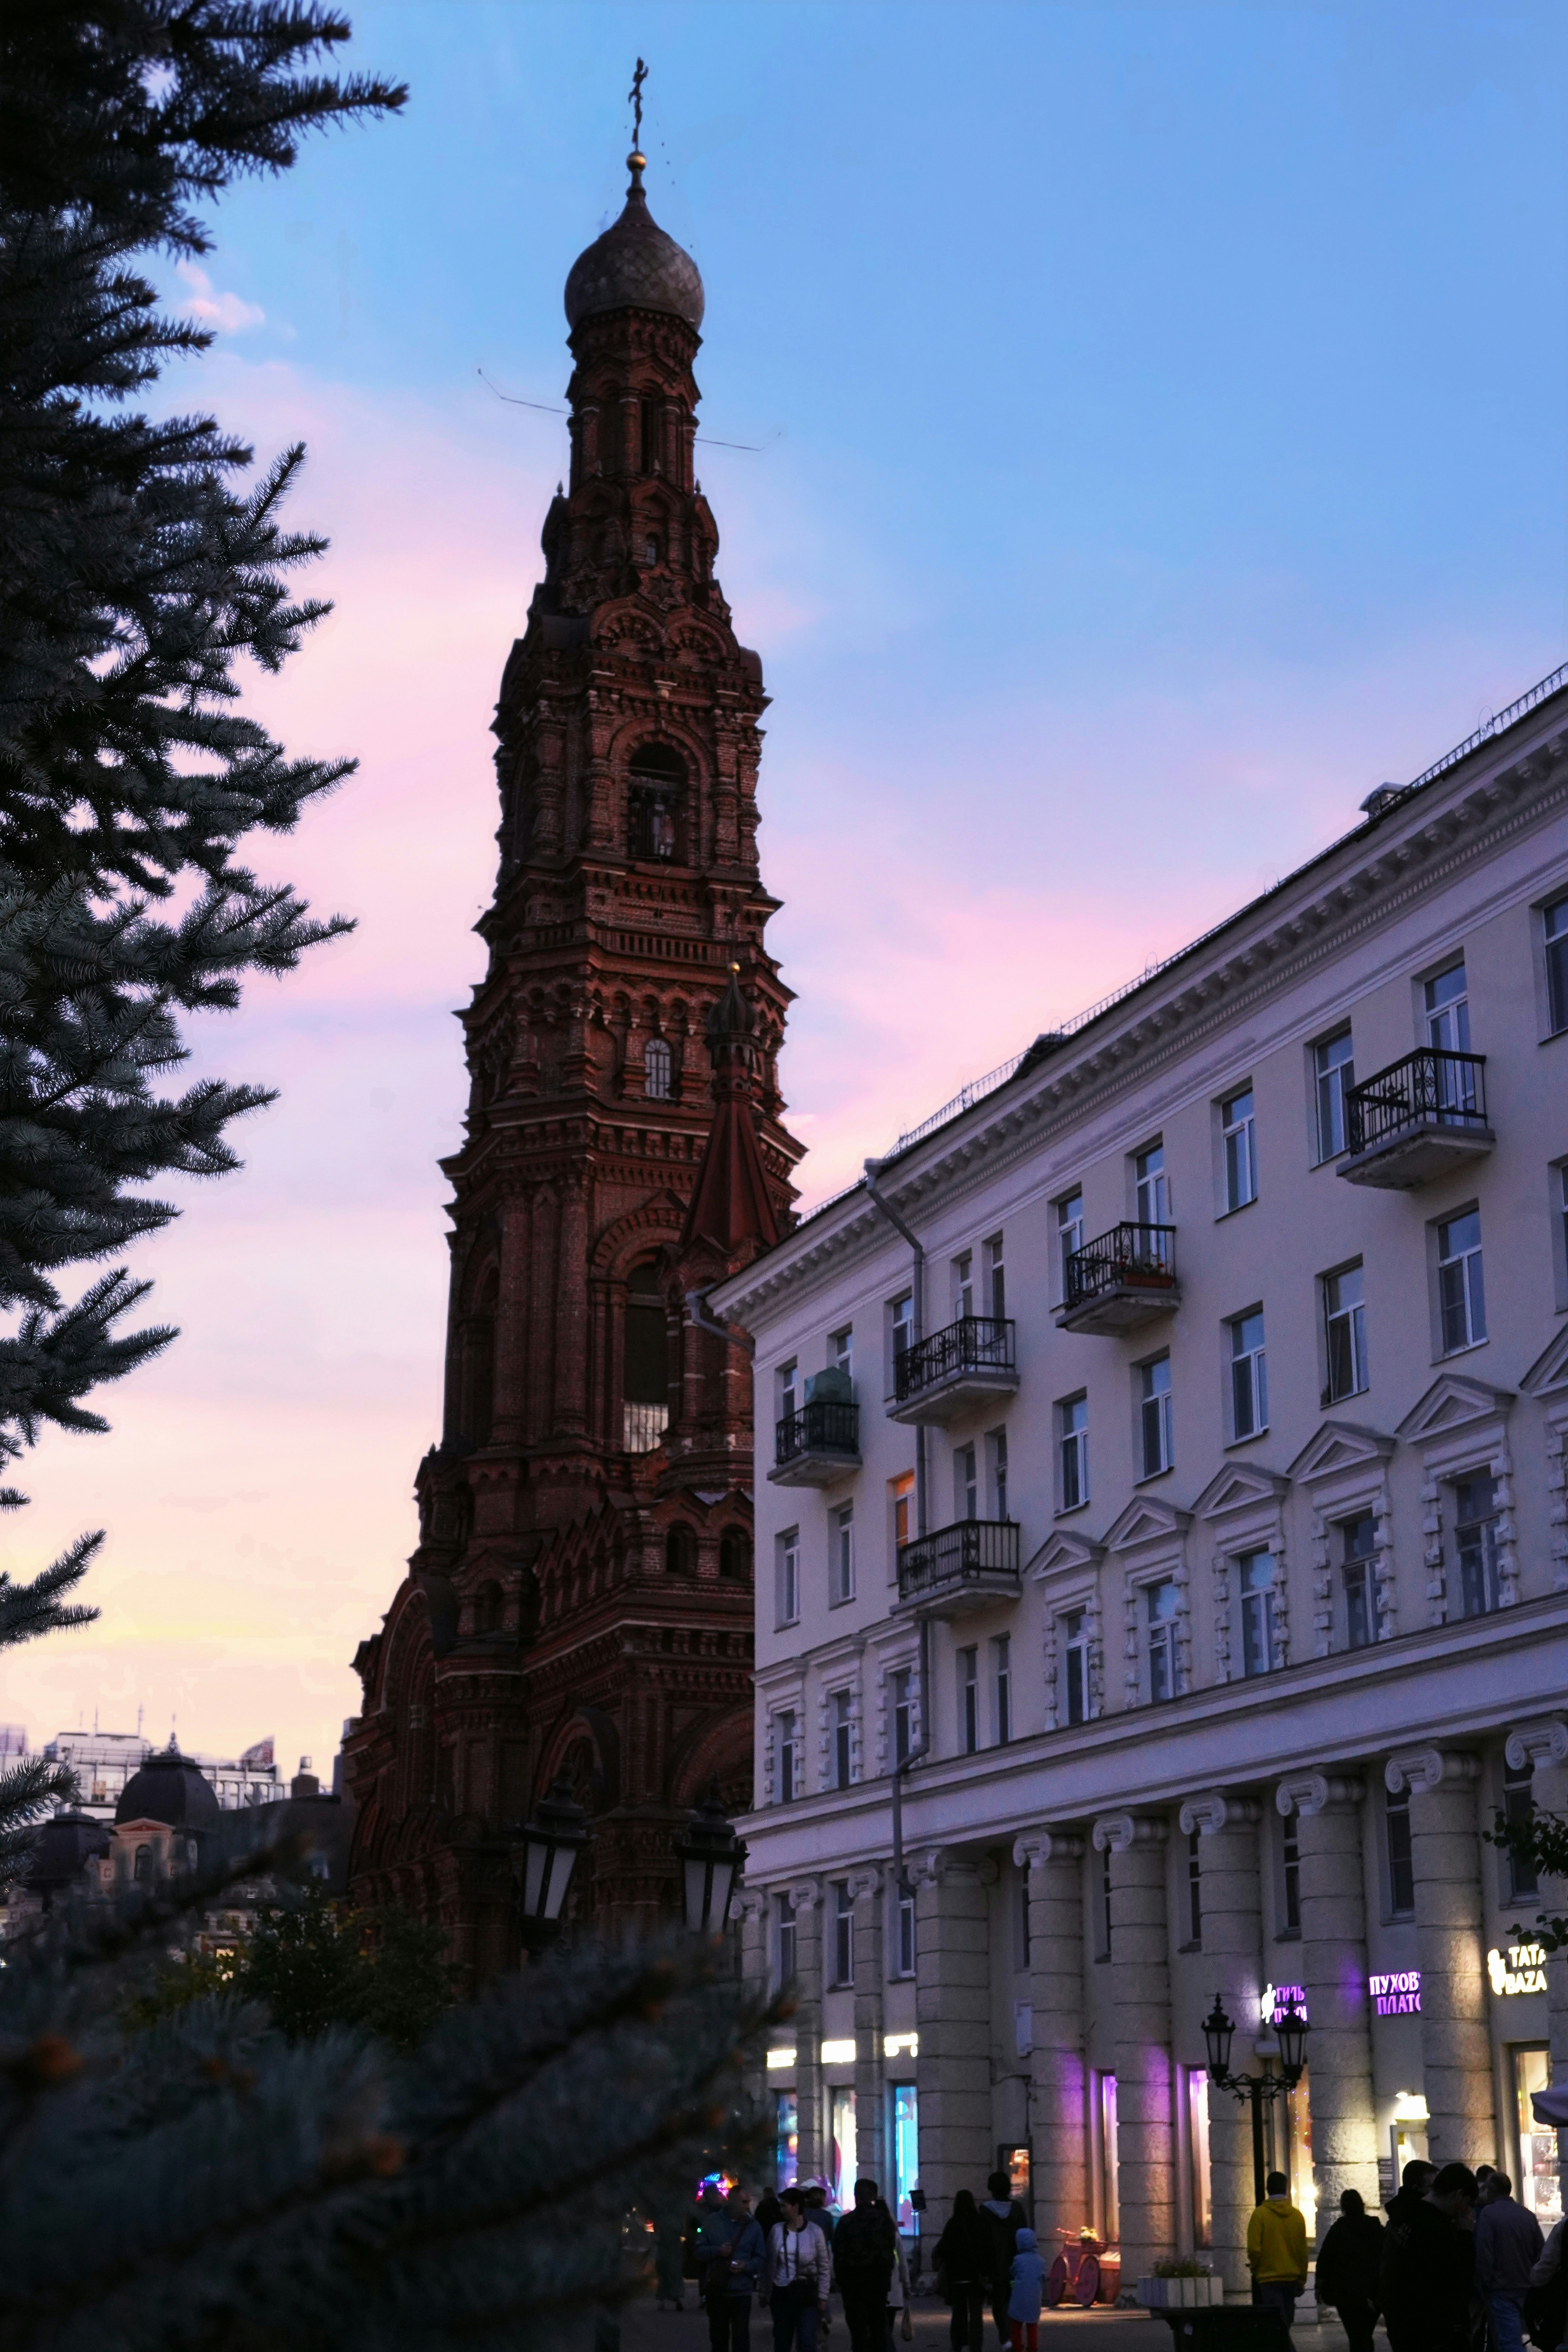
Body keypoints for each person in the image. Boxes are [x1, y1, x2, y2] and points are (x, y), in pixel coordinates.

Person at [1379, 2159, 1477, 2352]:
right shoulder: (1435, 2227)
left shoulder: (1404, 2215)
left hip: (1402, 2324)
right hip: (1431, 2331)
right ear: (1458, 2196)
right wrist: (1466, 2234)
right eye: (1467, 2204)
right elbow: (1457, 2279)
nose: (1467, 2211)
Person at [1475, 2171, 1544, 2352]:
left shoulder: (1488, 2215)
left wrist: (1484, 2283)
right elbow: (1540, 2252)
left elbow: (1485, 2253)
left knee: (1509, 2341)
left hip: (1500, 2289)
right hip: (1527, 2287)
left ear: (1490, 2191)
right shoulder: (1527, 2215)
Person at [1312, 2187, 1383, 2352]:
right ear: (1362, 2205)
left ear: (1343, 2208)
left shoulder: (1339, 2230)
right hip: (1373, 2293)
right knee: (1365, 2334)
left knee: (1357, 2336)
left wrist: (1319, 2286)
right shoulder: (1377, 2229)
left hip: (1347, 2294)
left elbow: (1325, 2260)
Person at [833, 2179, 898, 2352]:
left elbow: (838, 2253)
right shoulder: (884, 2220)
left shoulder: (846, 2222)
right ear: (874, 2196)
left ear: (856, 2196)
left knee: (858, 2332)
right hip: (877, 2284)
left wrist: (842, 2280)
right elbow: (890, 2250)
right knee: (878, 2329)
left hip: (853, 2285)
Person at [766, 2188, 832, 2352]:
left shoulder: (814, 2232)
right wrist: (764, 2290)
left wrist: (823, 2296)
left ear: (796, 2206)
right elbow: (769, 2263)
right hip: (781, 2292)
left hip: (806, 2293)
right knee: (782, 2340)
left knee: (807, 2342)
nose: (781, 2210)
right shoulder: (776, 2230)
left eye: (784, 2206)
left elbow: (824, 2266)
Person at [1246, 2170, 1308, 2343]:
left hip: (1269, 2279)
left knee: (1276, 2327)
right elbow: (1302, 2252)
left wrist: (1256, 2267)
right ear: (1287, 2189)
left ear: (1267, 2189)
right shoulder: (1297, 2216)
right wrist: (1302, 2279)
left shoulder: (1260, 2215)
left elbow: (1254, 2249)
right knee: (1285, 2324)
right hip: (1291, 2278)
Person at [706, 2187, 765, 2352]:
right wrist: (718, 2251)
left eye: (749, 2202)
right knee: (718, 2339)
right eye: (744, 2202)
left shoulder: (754, 2227)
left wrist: (746, 2266)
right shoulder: (713, 2222)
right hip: (718, 2291)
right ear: (731, 2201)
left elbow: (761, 2257)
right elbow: (699, 2250)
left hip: (741, 2292)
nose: (748, 2206)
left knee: (741, 2340)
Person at [934, 2189, 988, 2352]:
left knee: (958, 2314)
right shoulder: (980, 2223)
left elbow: (944, 2249)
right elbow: (986, 2249)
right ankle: (976, 2346)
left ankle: (958, 2344)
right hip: (975, 2277)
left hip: (956, 2277)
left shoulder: (953, 2223)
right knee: (976, 2315)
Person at [979, 2171, 1027, 2350]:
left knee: (999, 2303)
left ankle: (1005, 2338)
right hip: (1015, 2265)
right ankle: (1015, 2337)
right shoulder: (1017, 2209)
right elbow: (1025, 2236)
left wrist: (984, 2269)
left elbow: (983, 2241)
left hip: (995, 2266)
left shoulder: (985, 2211)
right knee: (1016, 2302)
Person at [1007, 2227, 1045, 2352]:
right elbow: (1043, 2277)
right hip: (1034, 2296)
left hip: (1019, 2295)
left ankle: (1017, 2347)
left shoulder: (1018, 2260)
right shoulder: (1040, 2261)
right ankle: (1033, 2347)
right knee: (1032, 2324)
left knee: (1016, 2324)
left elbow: (1012, 2271)